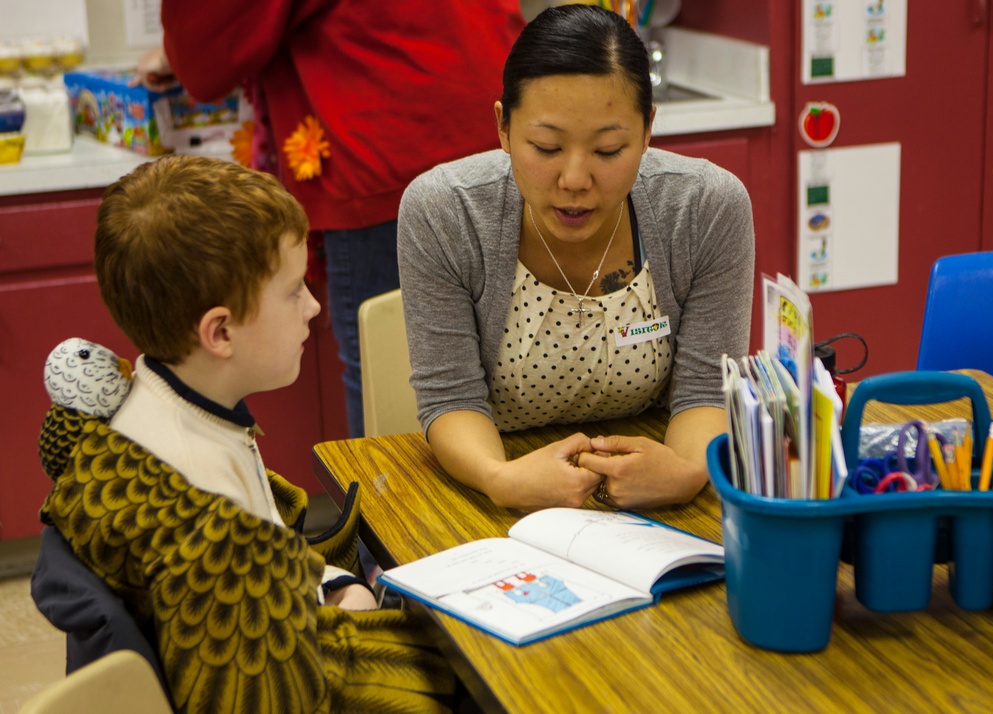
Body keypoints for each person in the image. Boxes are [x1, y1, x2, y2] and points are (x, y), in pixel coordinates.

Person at [37, 155, 455, 712]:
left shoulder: (156, 400)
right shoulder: (205, 509)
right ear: (221, 331)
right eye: (292, 290)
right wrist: (349, 608)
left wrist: (330, 584)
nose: (312, 305)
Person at [397, 4, 755, 512]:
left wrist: (689, 470)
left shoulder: (704, 208)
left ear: (649, 129)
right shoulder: (446, 211)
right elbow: (450, 397)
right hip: (492, 483)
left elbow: (705, 390)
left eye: (608, 150)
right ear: (502, 127)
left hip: (648, 478)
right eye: (545, 147)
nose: (575, 180)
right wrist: (500, 478)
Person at [137, 1, 526, 438]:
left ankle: (403, 506)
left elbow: (204, 54)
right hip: (499, 125)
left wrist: (175, 51)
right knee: (502, 370)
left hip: (389, 149)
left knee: (397, 387)